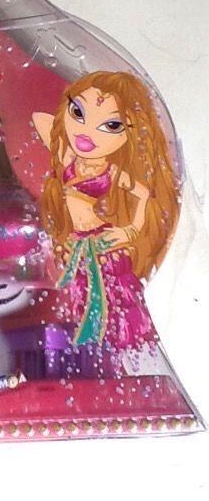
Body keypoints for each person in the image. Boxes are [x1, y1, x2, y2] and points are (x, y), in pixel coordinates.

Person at [32, 70, 180, 353]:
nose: (87, 131)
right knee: (84, 297)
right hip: (76, 242)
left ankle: (121, 349)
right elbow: (40, 119)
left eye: (112, 125)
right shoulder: (67, 157)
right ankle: (93, 349)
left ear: (130, 133)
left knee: (113, 298)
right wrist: (68, 116)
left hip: (103, 242)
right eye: (78, 112)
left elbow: (144, 194)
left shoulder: (111, 172)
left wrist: (131, 230)